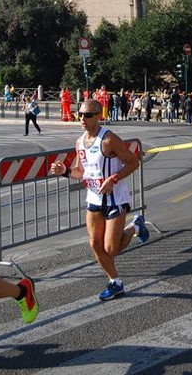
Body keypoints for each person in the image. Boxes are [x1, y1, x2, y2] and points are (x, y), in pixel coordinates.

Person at [50, 99, 149, 301]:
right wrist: (65, 172)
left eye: (88, 115)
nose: (83, 119)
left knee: (111, 248)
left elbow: (133, 162)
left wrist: (114, 179)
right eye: (80, 115)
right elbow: (80, 171)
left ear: (98, 115)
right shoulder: (79, 142)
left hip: (115, 200)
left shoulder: (109, 140)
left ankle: (134, 227)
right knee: (95, 245)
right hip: (94, 199)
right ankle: (115, 283)